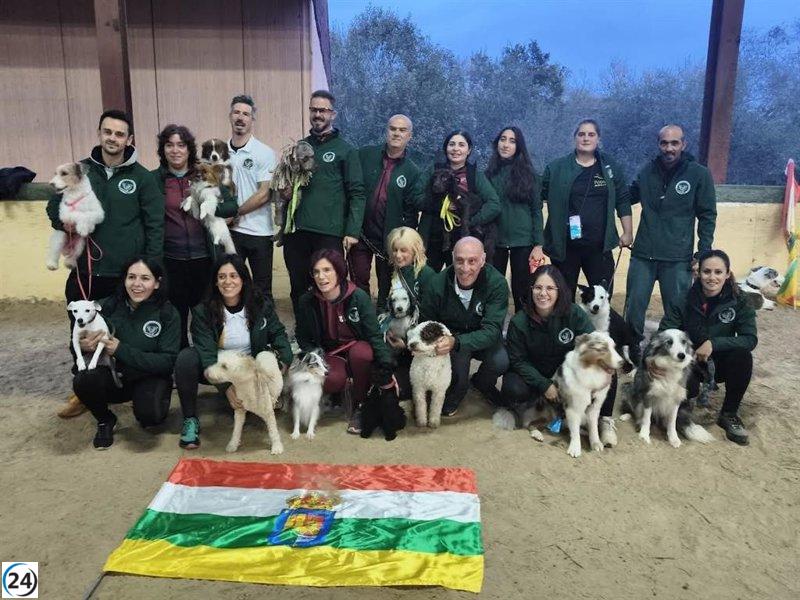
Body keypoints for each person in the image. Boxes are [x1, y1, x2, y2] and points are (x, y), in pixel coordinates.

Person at [49, 109, 164, 419]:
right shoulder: (80, 170)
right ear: (100, 133)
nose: (113, 139)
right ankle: (83, 388)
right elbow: (53, 205)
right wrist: (66, 225)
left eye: (119, 134)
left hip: (125, 276)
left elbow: (155, 225)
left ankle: (120, 383)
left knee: (121, 331)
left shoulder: (143, 177)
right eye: (108, 132)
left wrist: (151, 268)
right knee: (79, 331)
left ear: (130, 139)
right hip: (86, 272)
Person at [173, 254, 293, 449]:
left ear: (243, 280)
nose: (227, 281)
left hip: (250, 367)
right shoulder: (202, 311)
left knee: (266, 358)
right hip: (219, 369)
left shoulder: (260, 304)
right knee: (186, 358)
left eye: (233, 276)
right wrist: (226, 388)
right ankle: (190, 420)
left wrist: (283, 363)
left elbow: (278, 333)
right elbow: (206, 352)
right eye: (221, 277)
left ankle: (268, 397)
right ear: (215, 282)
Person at [502, 265, 620, 446]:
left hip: (565, 376)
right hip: (537, 375)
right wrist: (545, 385)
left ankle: (604, 419)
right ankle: (533, 414)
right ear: (531, 290)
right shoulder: (519, 322)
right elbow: (518, 361)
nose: (543, 293)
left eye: (550, 288)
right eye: (538, 288)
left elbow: (593, 343)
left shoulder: (574, 313)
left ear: (559, 291)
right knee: (513, 386)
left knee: (609, 367)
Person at [72, 257, 179, 449]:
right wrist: (83, 345)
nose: (137, 284)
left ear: (157, 283)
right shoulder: (104, 307)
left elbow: (167, 362)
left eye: (145, 278)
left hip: (148, 375)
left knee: (151, 417)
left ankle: (145, 400)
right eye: (131, 277)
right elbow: (75, 342)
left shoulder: (167, 313)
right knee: (83, 379)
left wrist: (120, 349)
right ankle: (105, 420)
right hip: (113, 375)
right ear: (124, 280)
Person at [625, 124, 717, 342]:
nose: (669, 148)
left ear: (683, 144)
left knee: (677, 312)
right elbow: (627, 197)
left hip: (677, 258)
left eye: (674, 143)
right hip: (643, 255)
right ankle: (632, 352)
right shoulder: (647, 172)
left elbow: (707, 215)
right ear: (659, 145)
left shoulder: (699, 174)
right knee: (633, 309)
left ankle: (675, 355)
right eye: (664, 143)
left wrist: (703, 253)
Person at [658, 249, 757, 445]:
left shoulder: (740, 300)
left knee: (743, 356)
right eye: (706, 271)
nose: (712, 277)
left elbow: (750, 339)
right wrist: (687, 352)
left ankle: (729, 413)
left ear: (727, 274)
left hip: (721, 359)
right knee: (688, 388)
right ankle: (676, 414)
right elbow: (664, 332)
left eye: (718, 272)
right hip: (688, 360)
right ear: (697, 273)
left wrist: (714, 344)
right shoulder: (682, 299)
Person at [153, 124, 238, 348]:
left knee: (206, 315)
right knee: (176, 317)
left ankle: (207, 361)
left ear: (189, 149)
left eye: (181, 145)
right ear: (163, 150)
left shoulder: (206, 173)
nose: (175, 150)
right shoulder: (154, 180)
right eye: (169, 145)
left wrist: (211, 209)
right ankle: (181, 362)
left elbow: (231, 206)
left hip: (204, 258)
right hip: (172, 260)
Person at [283, 90, 366, 319]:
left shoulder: (346, 150)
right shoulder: (300, 147)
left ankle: (330, 335)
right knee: (299, 287)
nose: (317, 114)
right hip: (298, 232)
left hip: (329, 233)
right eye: (314, 110)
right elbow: (290, 186)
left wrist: (352, 230)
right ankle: (303, 336)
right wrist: (286, 191)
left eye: (323, 110)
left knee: (329, 287)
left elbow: (357, 193)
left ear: (333, 114)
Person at [295, 249, 395, 434]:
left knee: (362, 354)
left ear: (339, 272)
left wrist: (386, 366)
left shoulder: (358, 296)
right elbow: (301, 336)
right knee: (331, 379)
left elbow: (374, 335)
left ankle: (361, 404)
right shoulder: (306, 301)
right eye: (316, 272)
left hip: (357, 347)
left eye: (327, 270)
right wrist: (314, 354)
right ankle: (341, 391)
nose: (321, 277)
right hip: (330, 353)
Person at [540, 119, 632, 299]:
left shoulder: (609, 166)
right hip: (566, 247)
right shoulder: (557, 167)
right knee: (562, 298)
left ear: (598, 138)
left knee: (602, 298)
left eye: (591, 134)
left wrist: (627, 232)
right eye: (581, 134)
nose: (586, 138)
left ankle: (595, 328)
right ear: (575, 138)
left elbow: (622, 198)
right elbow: (537, 196)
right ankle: (564, 328)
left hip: (599, 247)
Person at [418, 237, 509, 416]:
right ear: (452, 258)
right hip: (452, 338)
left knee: (500, 360)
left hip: (481, 337)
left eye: (472, 261)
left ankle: (482, 384)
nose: (465, 268)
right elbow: (426, 322)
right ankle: (456, 392)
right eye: (459, 260)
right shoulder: (437, 284)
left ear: (483, 260)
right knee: (459, 373)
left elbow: (492, 331)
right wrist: (441, 341)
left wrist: (457, 341)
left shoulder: (497, 283)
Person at [352, 115, 421, 309]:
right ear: (386, 130)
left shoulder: (412, 171)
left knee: (387, 285)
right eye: (393, 129)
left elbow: (411, 212)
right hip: (361, 234)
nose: (396, 133)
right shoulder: (365, 155)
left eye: (402, 130)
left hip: (390, 240)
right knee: (359, 279)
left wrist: (403, 240)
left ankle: (383, 320)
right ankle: (363, 318)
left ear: (410, 136)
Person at [417, 130, 501, 271]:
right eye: (452, 144)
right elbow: (416, 196)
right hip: (433, 236)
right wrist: (442, 207)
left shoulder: (474, 175)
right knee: (428, 278)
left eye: (461, 145)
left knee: (461, 279)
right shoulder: (434, 170)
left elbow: (494, 204)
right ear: (446, 148)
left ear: (469, 150)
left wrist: (469, 221)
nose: (456, 149)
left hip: (463, 239)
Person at [486, 126, 543, 313]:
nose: (506, 144)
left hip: (523, 242)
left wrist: (538, 245)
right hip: (495, 241)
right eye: (503, 139)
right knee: (494, 289)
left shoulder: (530, 175)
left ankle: (521, 332)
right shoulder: (488, 174)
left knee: (522, 290)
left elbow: (536, 210)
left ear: (519, 146)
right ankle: (493, 332)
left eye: (512, 141)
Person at [226, 94, 278, 301]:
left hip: (259, 233)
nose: (241, 117)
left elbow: (264, 194)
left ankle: (265, 332)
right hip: (230, 233)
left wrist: (234, 212)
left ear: (252, 119)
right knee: (231, 287)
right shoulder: (220, 152)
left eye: (246, 114)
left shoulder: (264, 152)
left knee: (262, 291)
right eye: (237, 112)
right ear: (230, 116)